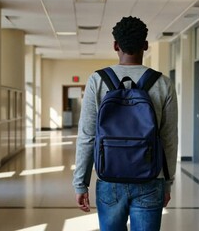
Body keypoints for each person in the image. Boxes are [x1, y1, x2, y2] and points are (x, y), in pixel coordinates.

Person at [72, 16, 178, 231]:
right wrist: (166, 183)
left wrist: (80, 183)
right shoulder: (163, 83)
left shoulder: (97, 80)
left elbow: (87, 135)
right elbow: (169, 139)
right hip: (150, 178)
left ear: (115, 45)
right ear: (146, 46)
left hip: (109, 177)